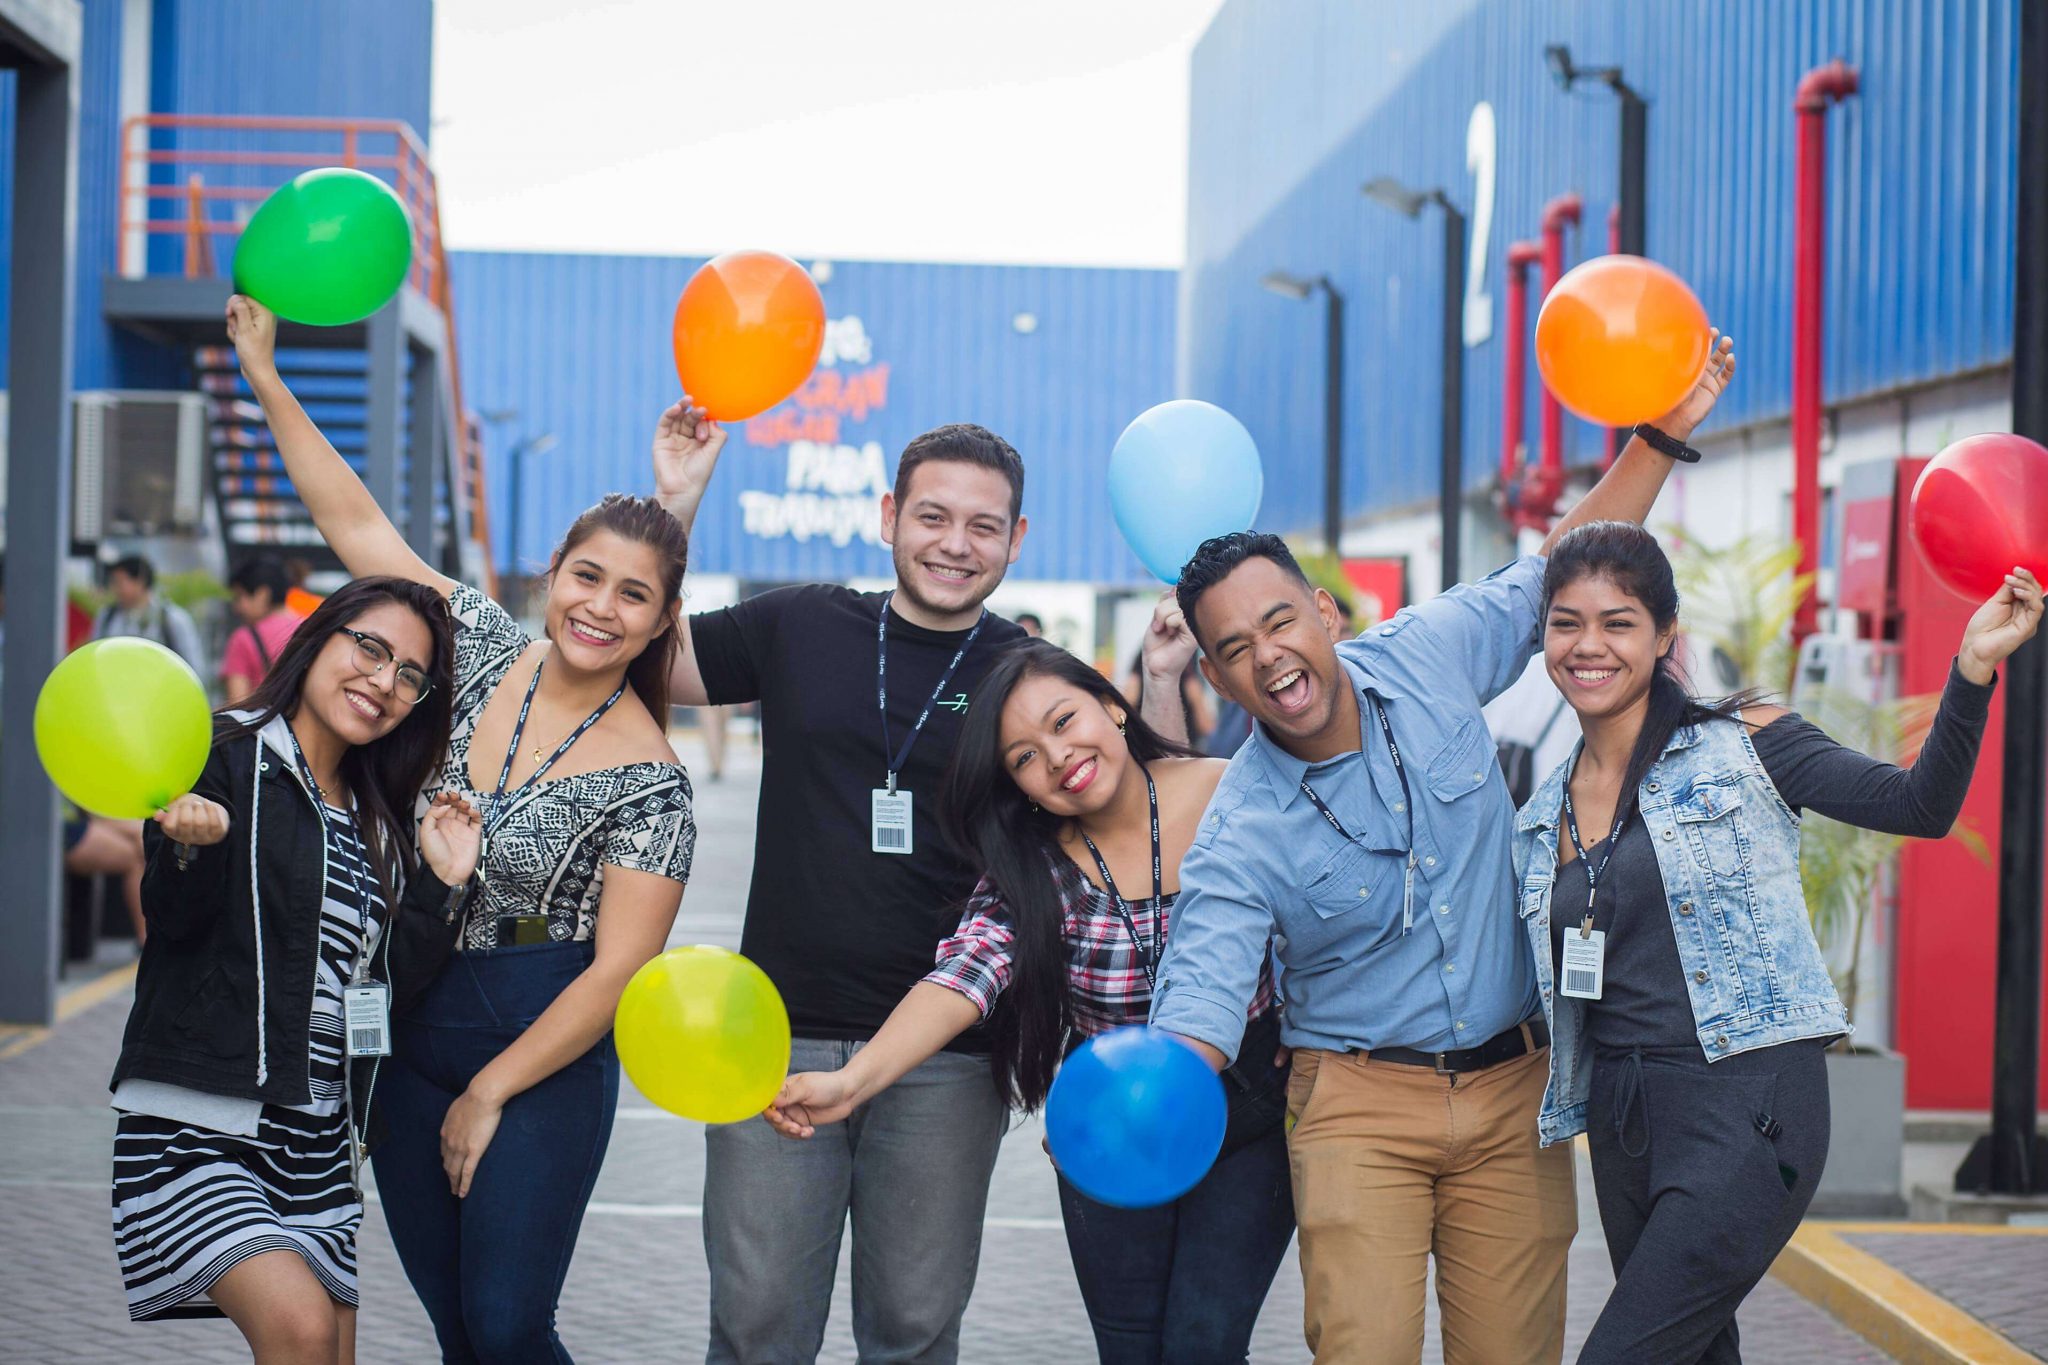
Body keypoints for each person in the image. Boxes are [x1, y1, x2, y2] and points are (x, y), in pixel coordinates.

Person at [1148, 335, 1738, 1365]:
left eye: (1279, 621)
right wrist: (1151, 1086)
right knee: (1363, 1350)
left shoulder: (1423, 654)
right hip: (1354, 1107)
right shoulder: (1239, 828)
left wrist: (1658, 435)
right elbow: (1200, 989)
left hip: (1516, 1094)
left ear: (1322, 613)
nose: (1269, 656)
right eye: (1235, 649)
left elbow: (1558, 560)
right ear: (1213, 674)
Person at [658, 407, 1185, 1364]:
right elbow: (647, 657)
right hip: (771, 1032)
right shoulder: (802, 621)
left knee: (913, 1326)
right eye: (933, 516)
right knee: (757, 1325)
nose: (956, 544)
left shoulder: (1019, 677)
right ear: (890, 514)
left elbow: (1130, 797)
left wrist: (1161, 678)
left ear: (1017, 539)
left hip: (949, 1054)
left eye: (985, 525)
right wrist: (677, 504)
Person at [226, 293, 697, 1361]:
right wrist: (263, 373)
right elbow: (355, 525)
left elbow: (616, 974)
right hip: (410, 1017)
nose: (601, 607)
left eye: (633, 595)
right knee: (455, 1329)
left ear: (660, 620)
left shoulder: (655, 785)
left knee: (507, 1322)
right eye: (587, 577)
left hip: (540, 1041)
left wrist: (489, 1092)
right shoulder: (475, 642)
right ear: (551, 576)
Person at [1514, 522, 2040, 1363]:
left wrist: (1972, 668)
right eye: (1566, 622)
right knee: (1697, 1349)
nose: (1589, 645)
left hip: (1748, 1104)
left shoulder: (1747, 742)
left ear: (1664, 637)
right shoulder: (1541, 813)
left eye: (1617, 622)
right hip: (1622, 1119)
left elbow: (1918, 807)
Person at [767, 628, 1294, 1364]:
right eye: (1024, 758)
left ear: (1112, 705)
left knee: (1205, 1343)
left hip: (1248, 1108)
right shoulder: (1035, 867)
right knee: (1132, 1348)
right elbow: (963, 975)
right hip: (1108, 1119)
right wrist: (852, 1082)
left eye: (1063, 722)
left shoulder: (1227, 791)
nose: (1057, 759)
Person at [107, 576, 478, 1359]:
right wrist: (187, 845)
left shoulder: (376, 814)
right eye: (369, 648)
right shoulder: (225, 751)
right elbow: (171, 921)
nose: (383, 681)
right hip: (203, 1121)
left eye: (409, 674)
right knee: (299, 1327)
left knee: (328, 1351)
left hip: (315, 1142)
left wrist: (441, 886)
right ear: (320, 637)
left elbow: (380, 991)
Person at [95, 554, 206, 675]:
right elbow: (94, 656)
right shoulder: (107, 616)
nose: (115, 589)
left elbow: (193, 668)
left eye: (120, 582)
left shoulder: (172, 618)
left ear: (140, 582)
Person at [223, 556, 305, 703]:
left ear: (262, 594)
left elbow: (236, 704)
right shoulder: (312, 629)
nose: (237, 608)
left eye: (240, 597)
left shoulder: (243, 638)